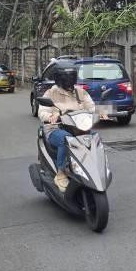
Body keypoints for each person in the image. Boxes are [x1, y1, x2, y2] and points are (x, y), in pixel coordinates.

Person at [38, 60, 95, 192]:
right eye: (66, 77)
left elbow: (91, 107)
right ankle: (61, 173)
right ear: (59, 78)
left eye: (71, 76)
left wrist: (94, 113)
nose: (69, 80)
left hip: (78, 129)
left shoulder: (80, 92)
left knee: (95, 138)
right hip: (55, 129)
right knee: (66, 139)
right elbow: (42, 112)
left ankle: (96, 168)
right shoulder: (51, 93)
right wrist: (51, 117)